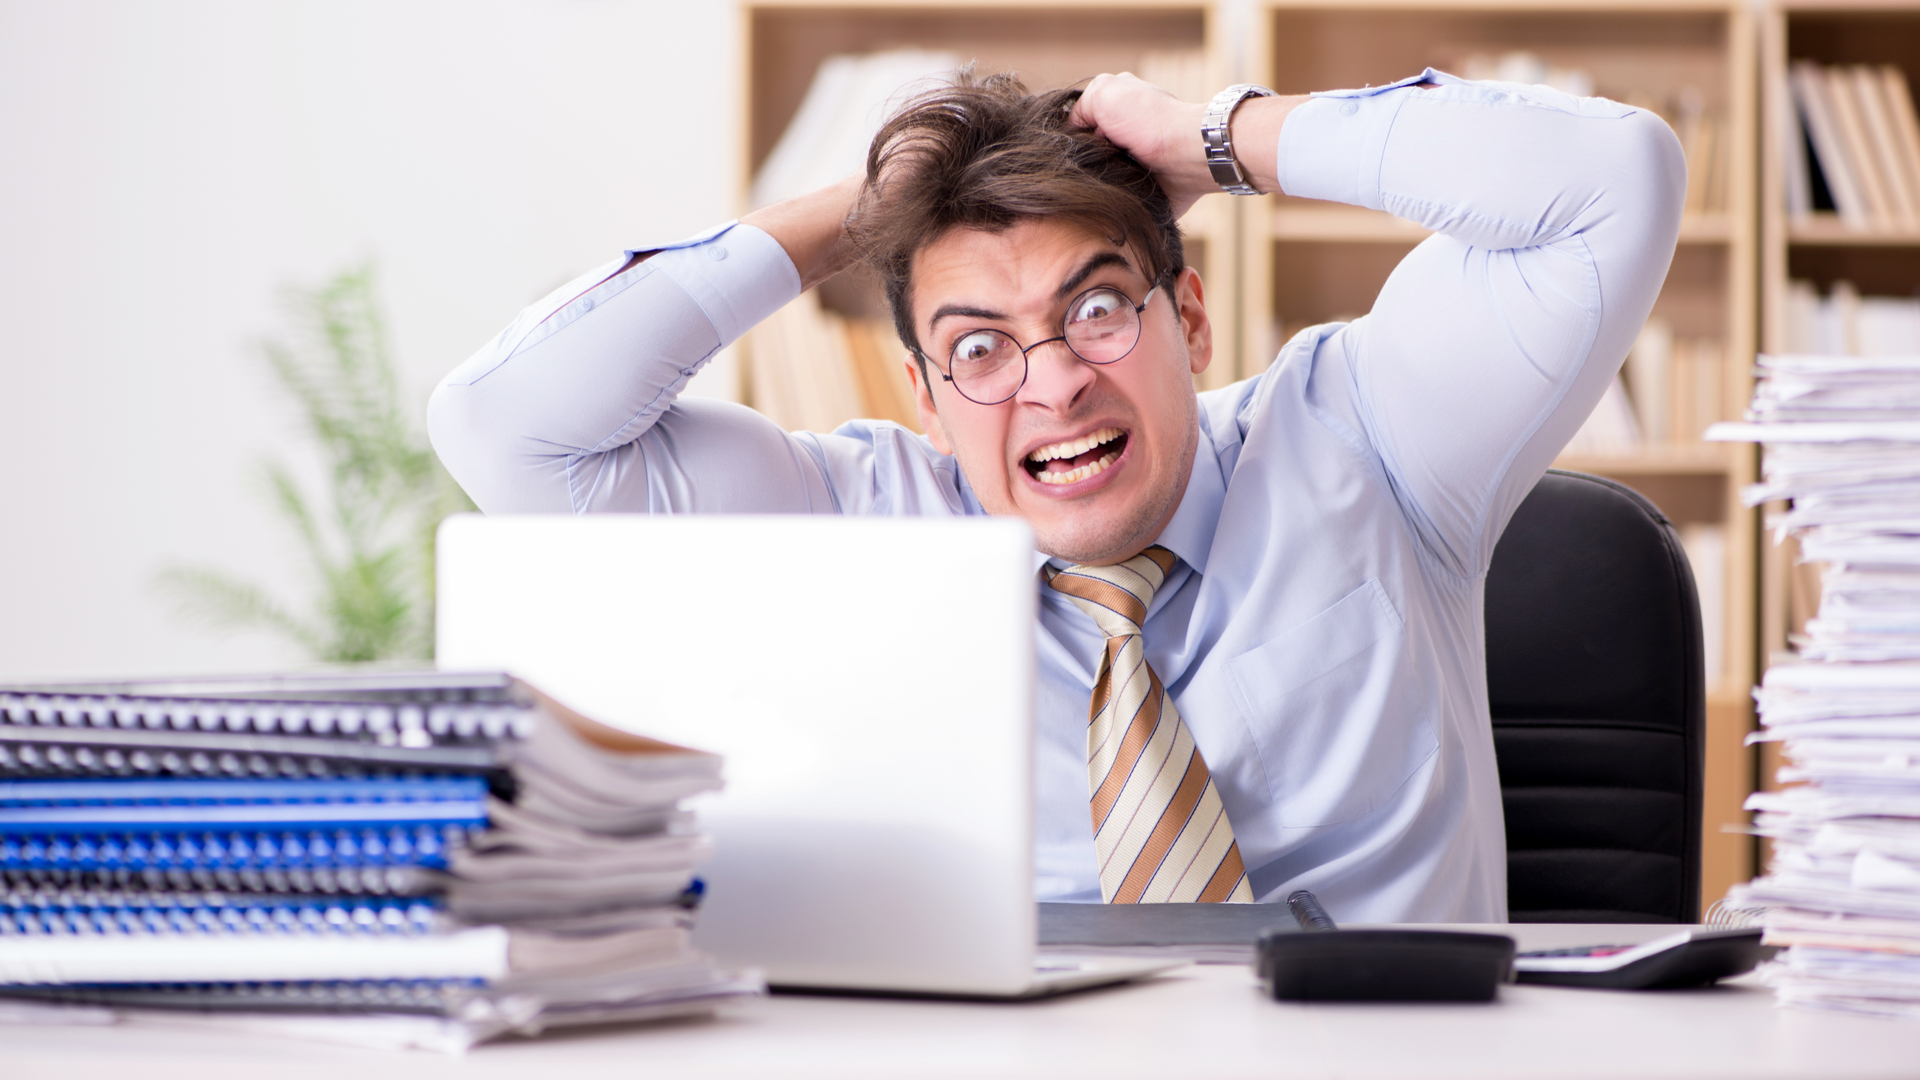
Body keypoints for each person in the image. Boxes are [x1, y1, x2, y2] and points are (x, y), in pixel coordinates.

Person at [430, 68, 1683, 921]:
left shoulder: (1372, 437)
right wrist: (870, 218)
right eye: (979, 347)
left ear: (1186, 318)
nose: (1054, 386)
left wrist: (1215, 137)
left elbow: (1613, 182)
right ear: (923, 393)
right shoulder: (863, 523)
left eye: (1094, 311)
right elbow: (509, 427)